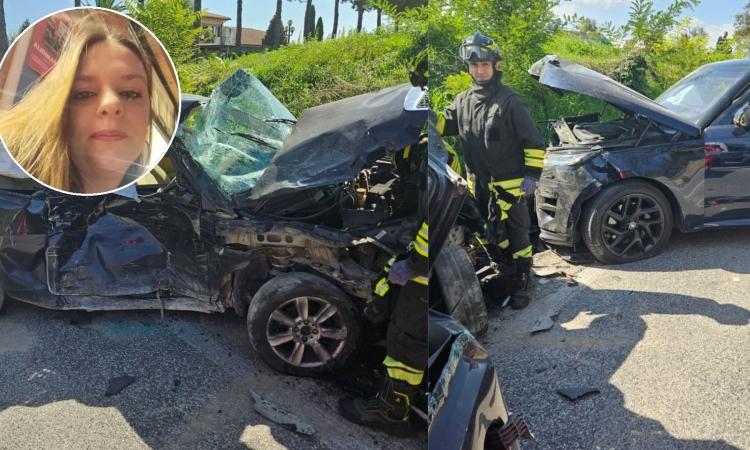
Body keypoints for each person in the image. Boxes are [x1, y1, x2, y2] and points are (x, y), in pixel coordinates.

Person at [437, 32, 546, 309]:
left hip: (511, 187)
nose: (479, 70)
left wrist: (532, 176)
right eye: (474, 66)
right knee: (489, 233)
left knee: (518, 235)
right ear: (468, 68)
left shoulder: (511, 101)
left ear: (495, 65)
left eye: (484, 65)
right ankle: (505, 271)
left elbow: (533, 143)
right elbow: (441, 127)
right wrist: (420, 107)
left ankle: (523, 282)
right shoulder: (461, 101)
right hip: (479, 184)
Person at [0, 12, 157, 194]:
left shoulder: (132, 183)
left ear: (149, 115)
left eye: (130, 93)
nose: (111, 104)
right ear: (58, 108)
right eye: (85, 93)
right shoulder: (16, 156)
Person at [338, 143, 428, 436]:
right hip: (421, 262)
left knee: (407, 344)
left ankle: (392, 413)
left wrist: (414, 264)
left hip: (424, 274)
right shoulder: (430, 150)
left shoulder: (429, 156)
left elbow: (431, 226)